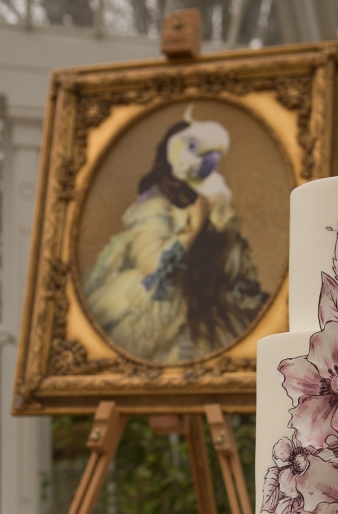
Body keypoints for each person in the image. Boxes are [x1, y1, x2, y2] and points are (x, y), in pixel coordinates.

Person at [83, 104, 268, 363]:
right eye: (193, 148)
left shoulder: (216, 205)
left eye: (212, 156)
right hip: (161, 310)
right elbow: (154, 268)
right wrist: (194, 229)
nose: (205, 162)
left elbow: (232, 271)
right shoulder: (154, 207)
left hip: (210, 312)